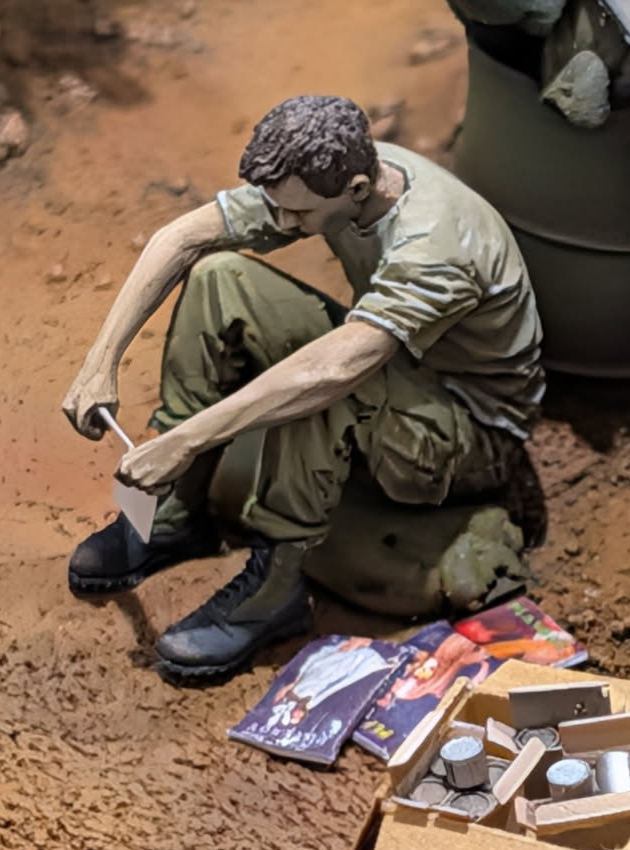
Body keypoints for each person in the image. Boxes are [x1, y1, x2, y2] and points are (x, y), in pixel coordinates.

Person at [61, 94, 544, 682]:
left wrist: (184, 440)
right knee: (220, 278)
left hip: (471, 429)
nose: (285, 224)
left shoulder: (435, 246)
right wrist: (100, 360)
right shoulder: (332, 174)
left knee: (323, 384)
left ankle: (277, 589)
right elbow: (185, 237)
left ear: (358, 189)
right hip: (404, 365)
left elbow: (333, 370)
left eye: (299, 215)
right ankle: (177, 514)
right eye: (279, 209)